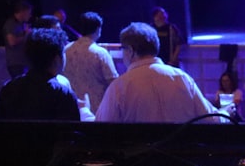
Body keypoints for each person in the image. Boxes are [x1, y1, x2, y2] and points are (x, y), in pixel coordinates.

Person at [95, 22, 226, 124]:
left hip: (140, 158)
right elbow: (209, 119)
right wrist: (226, 113)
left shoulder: (119, 87)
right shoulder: (182, 78)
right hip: (180, 157)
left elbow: (103, 130)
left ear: (130, 50)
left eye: (122, 49)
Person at [0, 28, 79, 121]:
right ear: (57, 59)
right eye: (63, 52)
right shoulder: (63, 94)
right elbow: (73, 132)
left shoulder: (9, 88)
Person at [63, 11, 119, 114]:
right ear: (98, 29)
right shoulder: (100, 53)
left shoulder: (66, 50)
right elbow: (114, 83)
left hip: (73, 108)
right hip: (98, 109)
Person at [3, 0, 33, 78]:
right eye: (29, 13)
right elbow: (11, 42)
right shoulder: (11, 24)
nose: (30, 15)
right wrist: (26, 35)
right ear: (23, 12)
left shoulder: (22, 24)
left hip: (23, 62)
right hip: (16, 63)